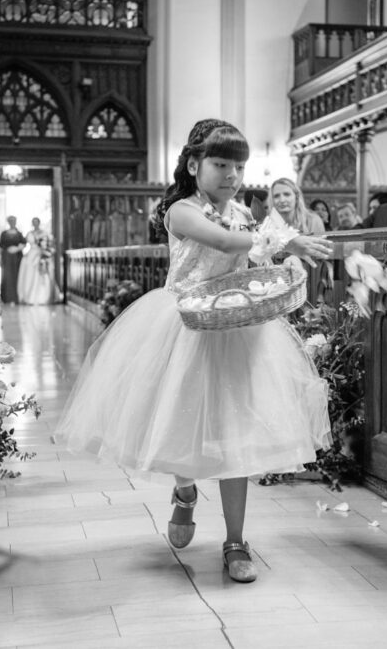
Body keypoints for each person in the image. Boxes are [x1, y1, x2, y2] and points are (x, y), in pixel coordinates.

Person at [54, 119, 333, 584]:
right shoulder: (181, 211)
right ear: (193, 164)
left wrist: (285, 260)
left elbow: (253, 254)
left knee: (236, 433)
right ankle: (185, 494)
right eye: (221, 164)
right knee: (181, 420)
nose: (232, 176)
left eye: (239, 167)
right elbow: (222, 241)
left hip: (237, 327)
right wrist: (284, 238)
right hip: (183, 326)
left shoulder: (244, 212)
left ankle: (236, 541)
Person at [16, 216, 58, 304]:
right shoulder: (29, 233)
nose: (35, 223)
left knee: (41, 275)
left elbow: (49, 244)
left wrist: (46, 253)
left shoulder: (44, 233)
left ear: (39, 223)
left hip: (40, 255)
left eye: (36, 222)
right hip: (31, 255)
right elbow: (23, 244)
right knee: (29, 274)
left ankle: (42, 297)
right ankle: (28, 296)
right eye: (33, 222)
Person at [0, 216, 24, 304]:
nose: (12, 222)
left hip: (17, 258)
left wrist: (16, 249)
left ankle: (16, 297)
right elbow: (0, 246)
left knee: (16, 276)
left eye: (14, 221)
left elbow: (23, 243)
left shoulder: (19, 234)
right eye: (10, 221)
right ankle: (6, 297)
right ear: (8, 222)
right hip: (6, 258)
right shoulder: (4, 233)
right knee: (6, 276)